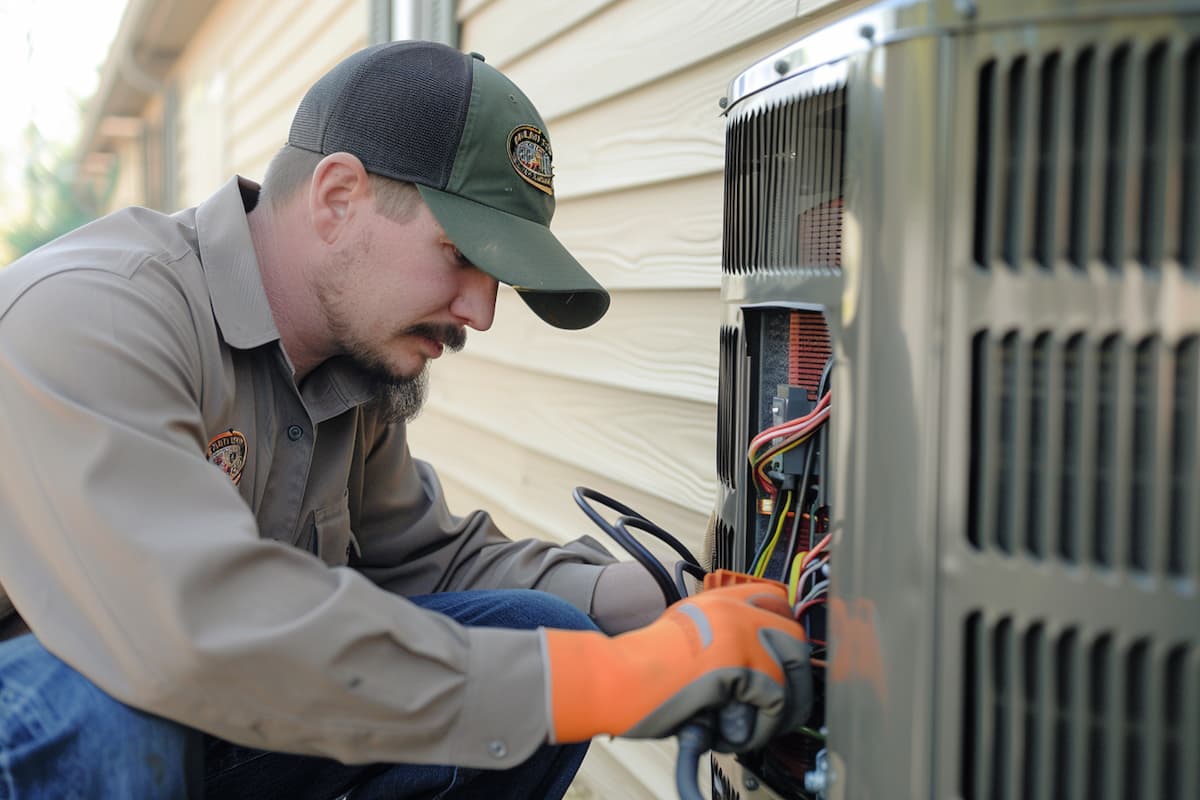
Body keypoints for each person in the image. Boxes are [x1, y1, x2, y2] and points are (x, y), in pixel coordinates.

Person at [0, 41, 811, 798]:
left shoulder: (346, 370)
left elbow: (425, 563)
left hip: (196, 709)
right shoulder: (92, 316)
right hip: (81, 713)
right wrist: (609, 682)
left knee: (539, 629)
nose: (482, 313)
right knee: (104, 694)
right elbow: (189, 631)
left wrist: (674, 603)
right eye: (461, 255)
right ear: (339, 197)